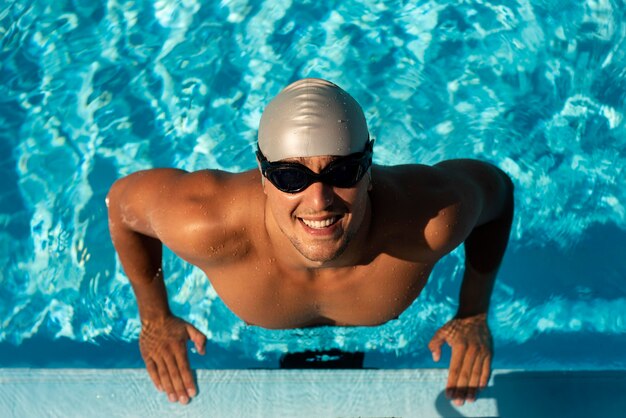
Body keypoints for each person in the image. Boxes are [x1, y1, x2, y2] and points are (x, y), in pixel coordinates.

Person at [106, 78, 514, 406]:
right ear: (264, 176)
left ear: (369, 166)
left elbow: (500, 193)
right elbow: (121, 204)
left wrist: (473, 314)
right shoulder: (207, 224)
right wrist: (155, 318)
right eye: (290, 177)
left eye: (343, 171)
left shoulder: (427, 221)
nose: (319, 201)